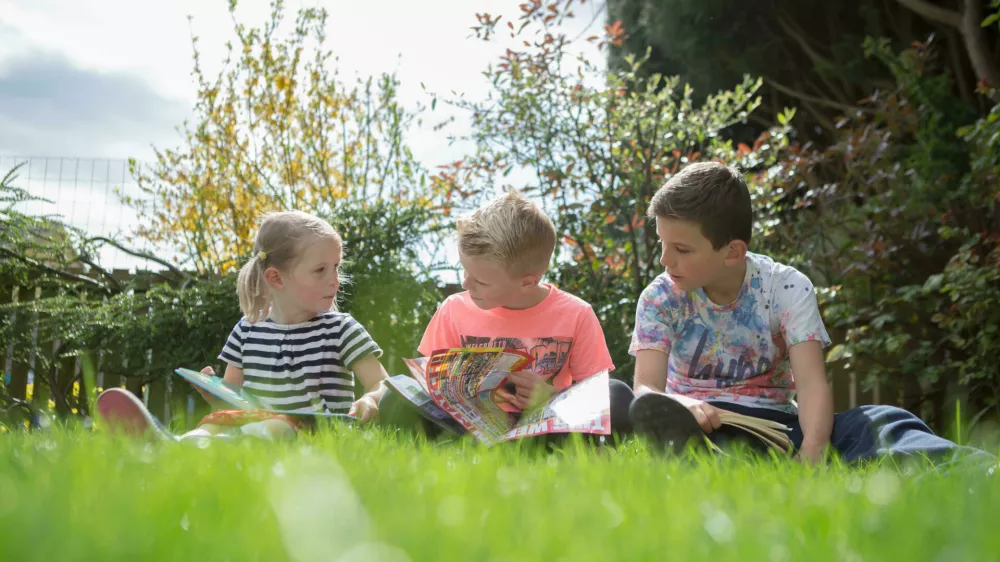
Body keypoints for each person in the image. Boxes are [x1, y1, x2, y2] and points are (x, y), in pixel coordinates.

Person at [629, 162, 994, 466]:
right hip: (701, 423)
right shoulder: (660, 298)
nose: (665, 260)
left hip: (778, 424)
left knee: (882, 421)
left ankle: (979, 468)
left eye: (680, 248)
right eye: (662, 243)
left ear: (732, 251)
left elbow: (811, 384)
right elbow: (646, 389)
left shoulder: (786, 287)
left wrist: (812, 453)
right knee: (709, 447)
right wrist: (680, 403)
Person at [98, 210, 389, 441]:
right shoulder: (247, 331)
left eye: (336, 267)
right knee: (217, 422)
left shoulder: (341, 330)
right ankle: (181, 444)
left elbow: (382, 382)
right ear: (276, 278)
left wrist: (371, 399)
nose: (334, 279)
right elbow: (235, 402)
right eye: (320, 270)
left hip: (318, 433)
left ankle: (211, 449)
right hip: (256, 426)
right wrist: (215, 394)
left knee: (278, 426)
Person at [379, 190, 634, 442]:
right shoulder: (454, 308)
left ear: (527, 282)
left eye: (480, 280)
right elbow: (429, 385)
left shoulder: (576, 314)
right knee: (395, 397)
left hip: (546, 431)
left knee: (617, 396)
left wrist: (549, 396)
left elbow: (592, 395)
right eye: (464, 270)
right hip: (469, 431)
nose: (466, 284)